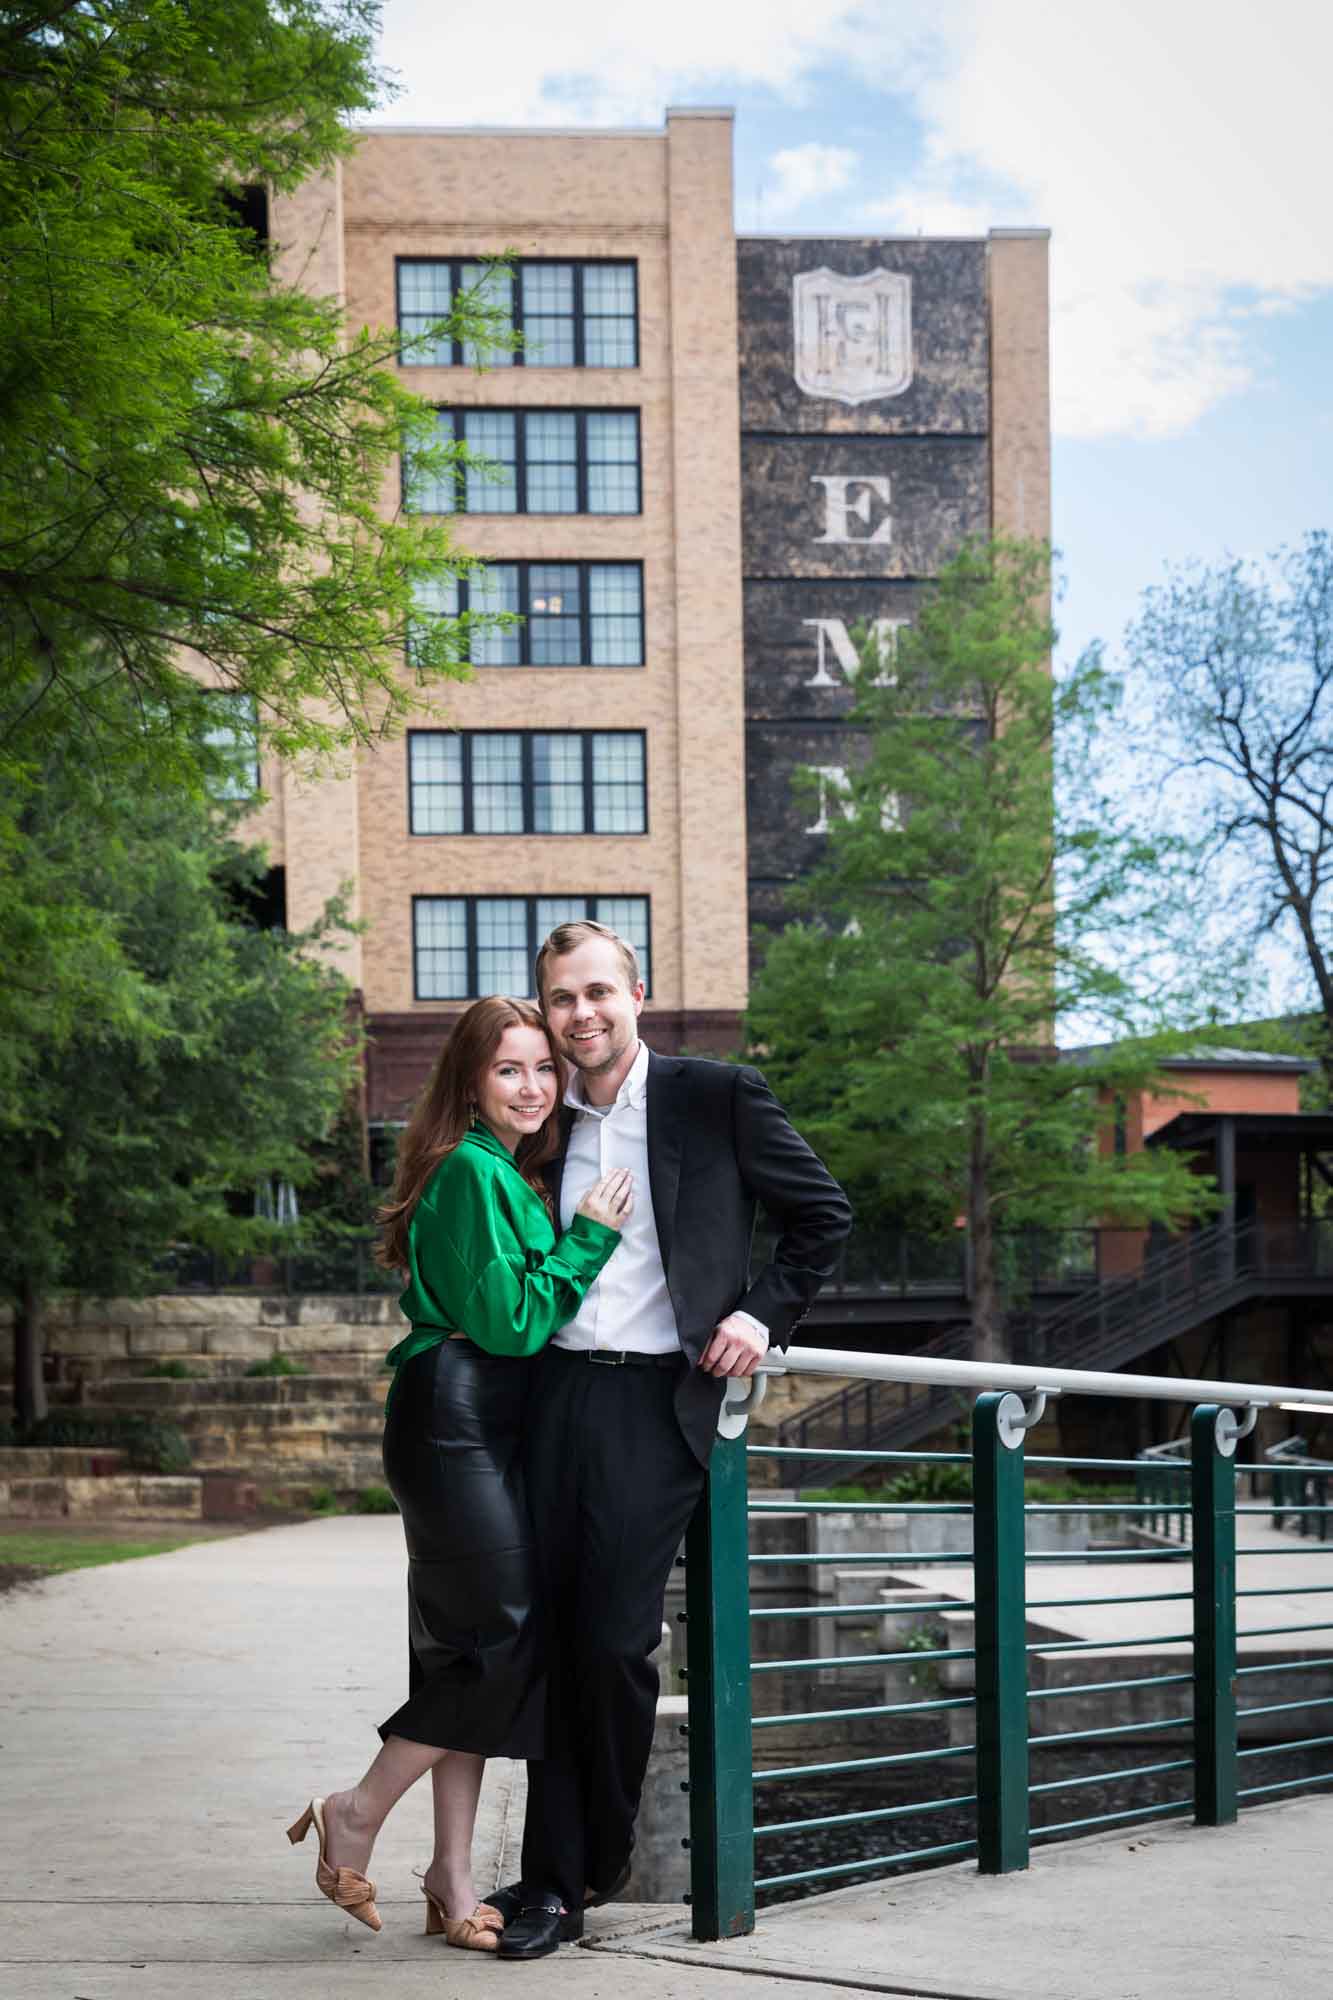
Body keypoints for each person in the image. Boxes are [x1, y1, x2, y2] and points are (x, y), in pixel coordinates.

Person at [491, 922, 853, 1961]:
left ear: (636, 992)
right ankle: (554, 1876)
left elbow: (821, 1215)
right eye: (562, 999)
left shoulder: (713, 1093)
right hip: (548, 1394)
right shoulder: (538, 1113)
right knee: (550, 1644)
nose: (581, 1015)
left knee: (612, 1641)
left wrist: (760, 1315)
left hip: (661, 1399)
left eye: (598, 991)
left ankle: (583, 1863)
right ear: (546, 1009)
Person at [286, 996, 633, 1952]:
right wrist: (589, 1240)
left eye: (542, 1069)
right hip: (455, 1417)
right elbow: (514, 1322)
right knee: (502, 1646)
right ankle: (354, 1813)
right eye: (508, 1070)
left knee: (467, 1652)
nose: (532, 1087)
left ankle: (450, 1879)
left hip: (478, 1419)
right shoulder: (472, 1172)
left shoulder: (497, 1173)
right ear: (470, 1084)